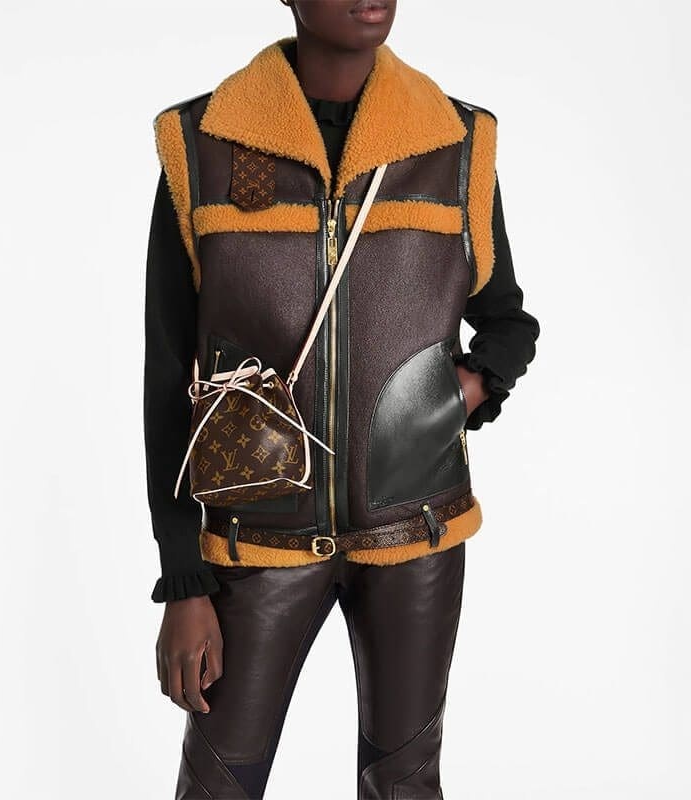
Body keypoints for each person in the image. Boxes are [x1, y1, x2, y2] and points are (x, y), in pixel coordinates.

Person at [144, 1, 540, 797]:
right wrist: (184, 578)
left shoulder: (453, 141)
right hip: (254, 541)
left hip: (415, 534)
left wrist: (456, 395)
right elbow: (166, 372)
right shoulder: (204, 143)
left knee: (405, 786)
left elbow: (507, 323)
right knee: (216, 786)